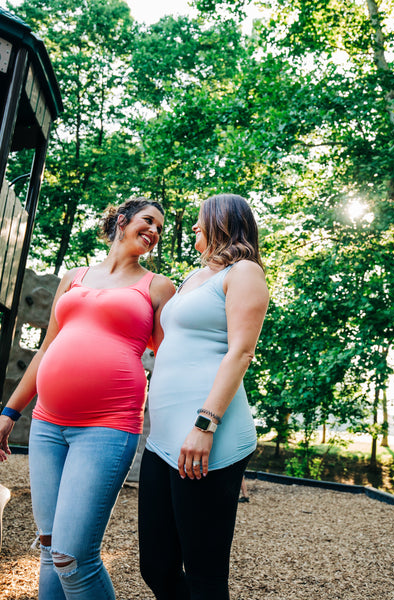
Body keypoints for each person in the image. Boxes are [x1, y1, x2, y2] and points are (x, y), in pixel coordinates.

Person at [0, 197, 175, 600]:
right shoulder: (74, 277)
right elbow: (46, 349)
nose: (154, 232)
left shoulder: (156, 286)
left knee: (72, 555)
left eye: (160, 229)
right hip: (46, 424)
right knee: (48, 548)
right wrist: (10, 411)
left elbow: (168, 362)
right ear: (122, 219)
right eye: (148, 221)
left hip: (107, 427)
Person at [138, 193, 269, 599]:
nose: (193, 227)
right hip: (162, 441)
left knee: (204, 573)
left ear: (222, 222)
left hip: (208, 434)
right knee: (155, 567)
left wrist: (204, 424)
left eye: (200, 220)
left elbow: (241, 352)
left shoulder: (244, 272)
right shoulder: (195, 279)